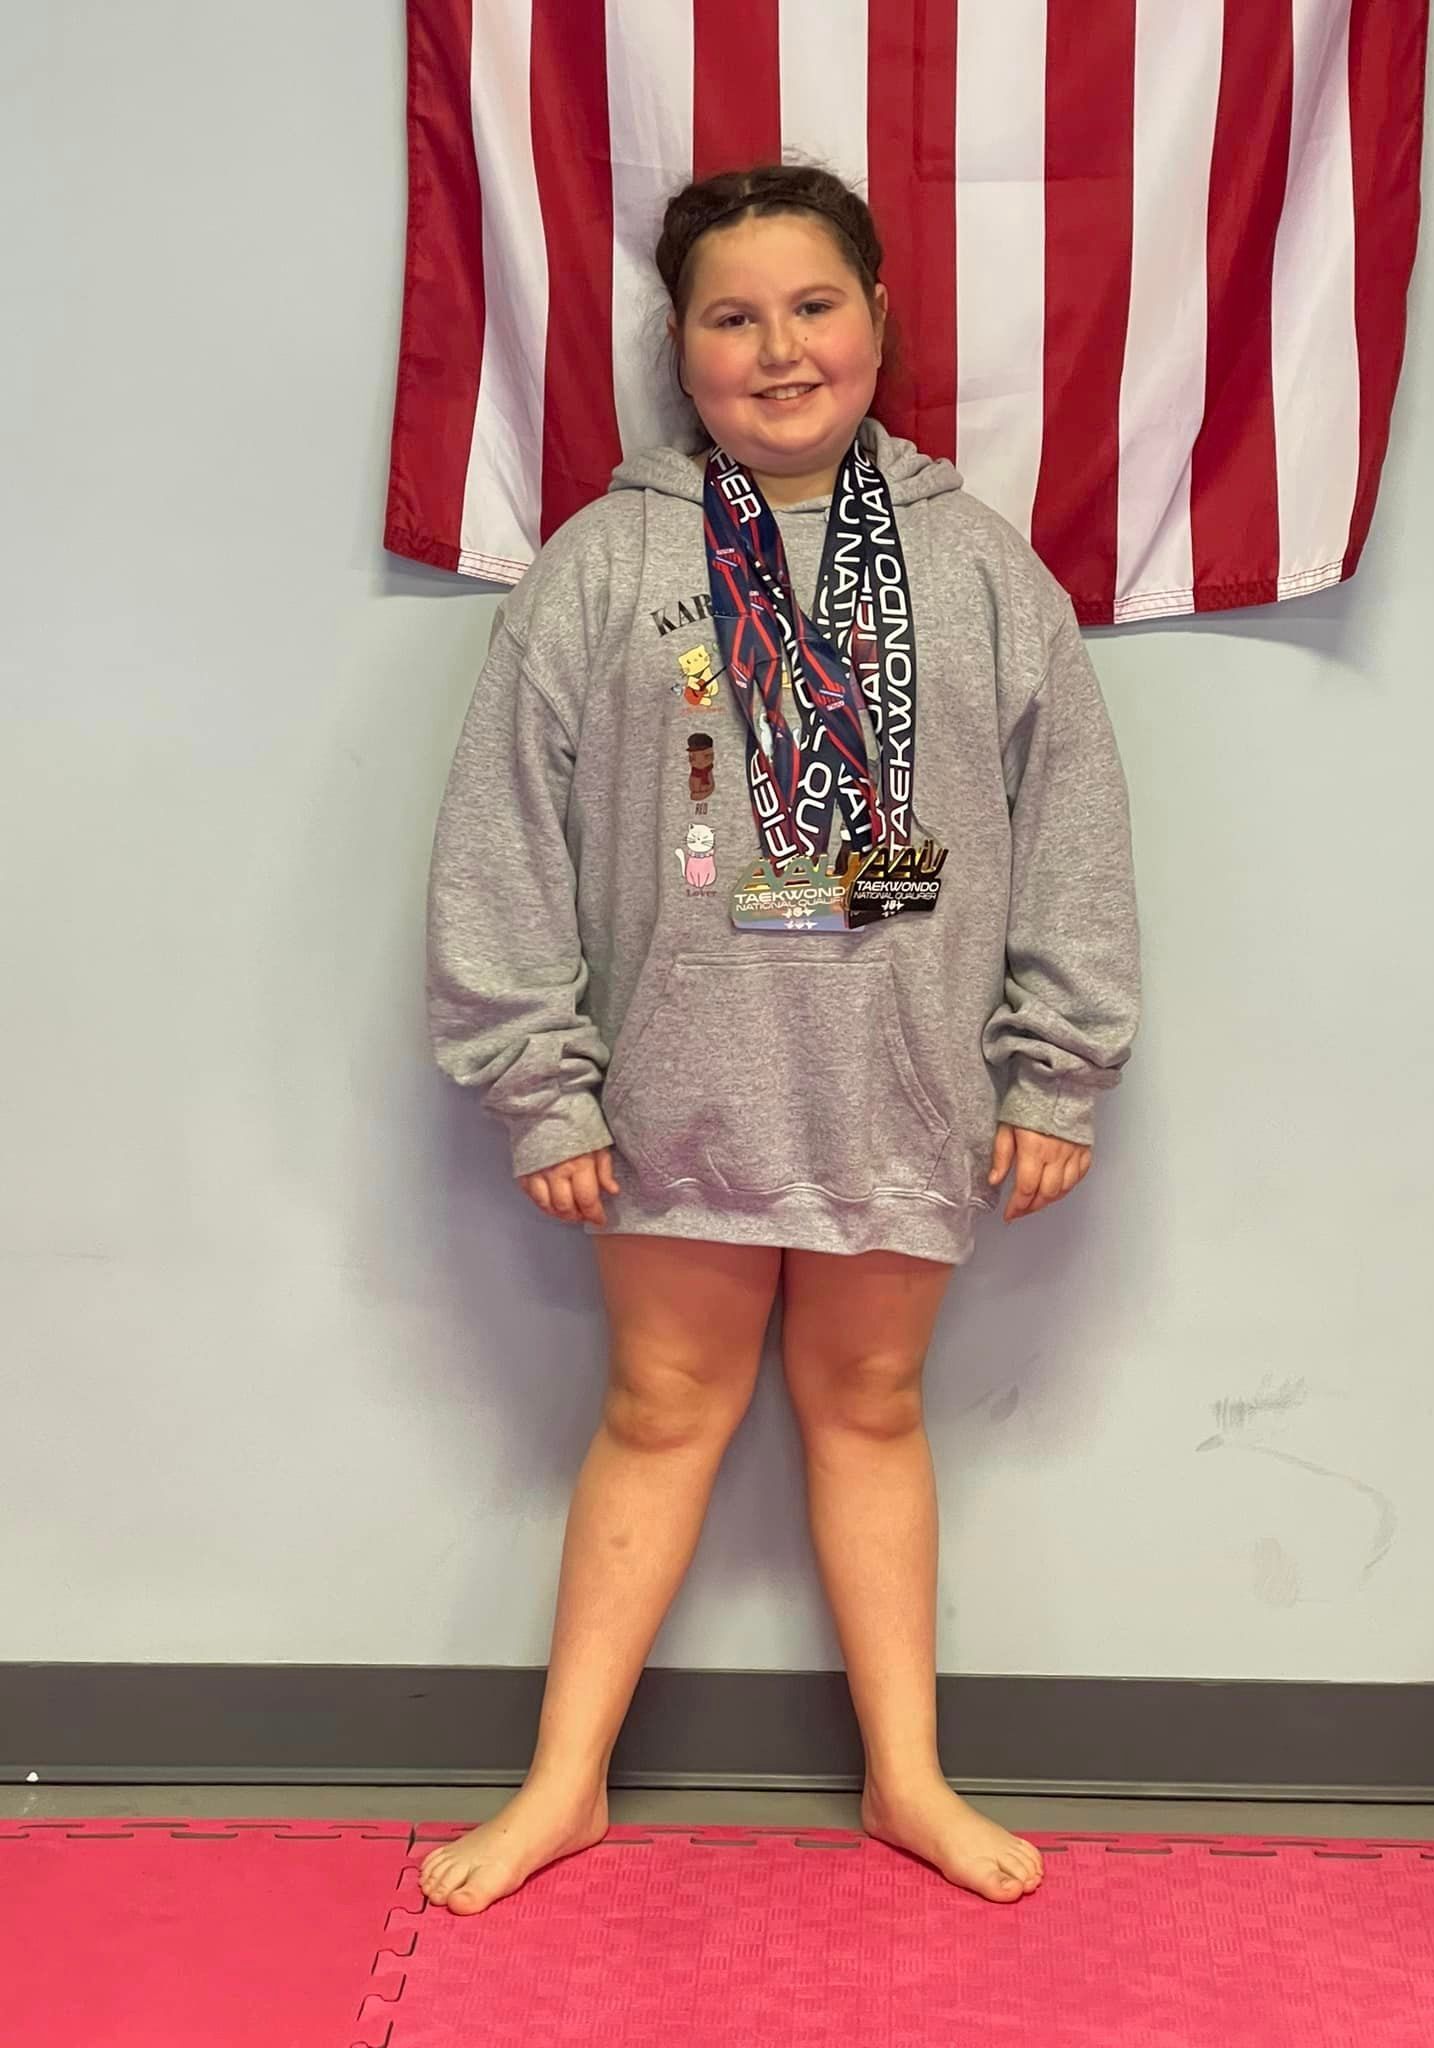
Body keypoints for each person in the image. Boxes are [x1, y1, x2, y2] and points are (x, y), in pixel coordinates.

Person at [419, 163, 1140, 1917]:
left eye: (813, 305)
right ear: (682, 347)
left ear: (878, 314)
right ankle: (563, 1785)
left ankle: (906, 1779)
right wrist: (540, 1079)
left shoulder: (977, 564)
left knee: (875, 1406)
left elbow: (1077, 825)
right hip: (676, 1079)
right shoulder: (609, 562)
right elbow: (500, 830)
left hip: (907, 1075)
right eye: (732, 318)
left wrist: (1059, 1063)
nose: (779, 347)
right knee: (661, 1412)